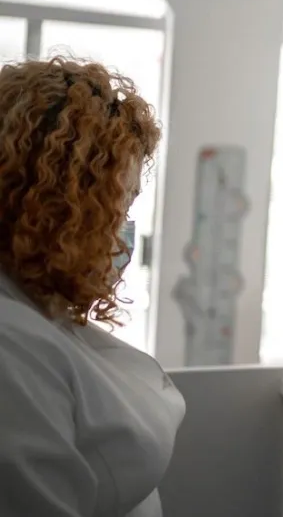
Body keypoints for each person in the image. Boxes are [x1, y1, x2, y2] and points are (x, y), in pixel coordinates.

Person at [0, 57, 183, 516]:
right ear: (57, 204)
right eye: (119, 207)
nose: (123, 230)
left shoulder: (32, 309)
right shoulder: (9, 345)